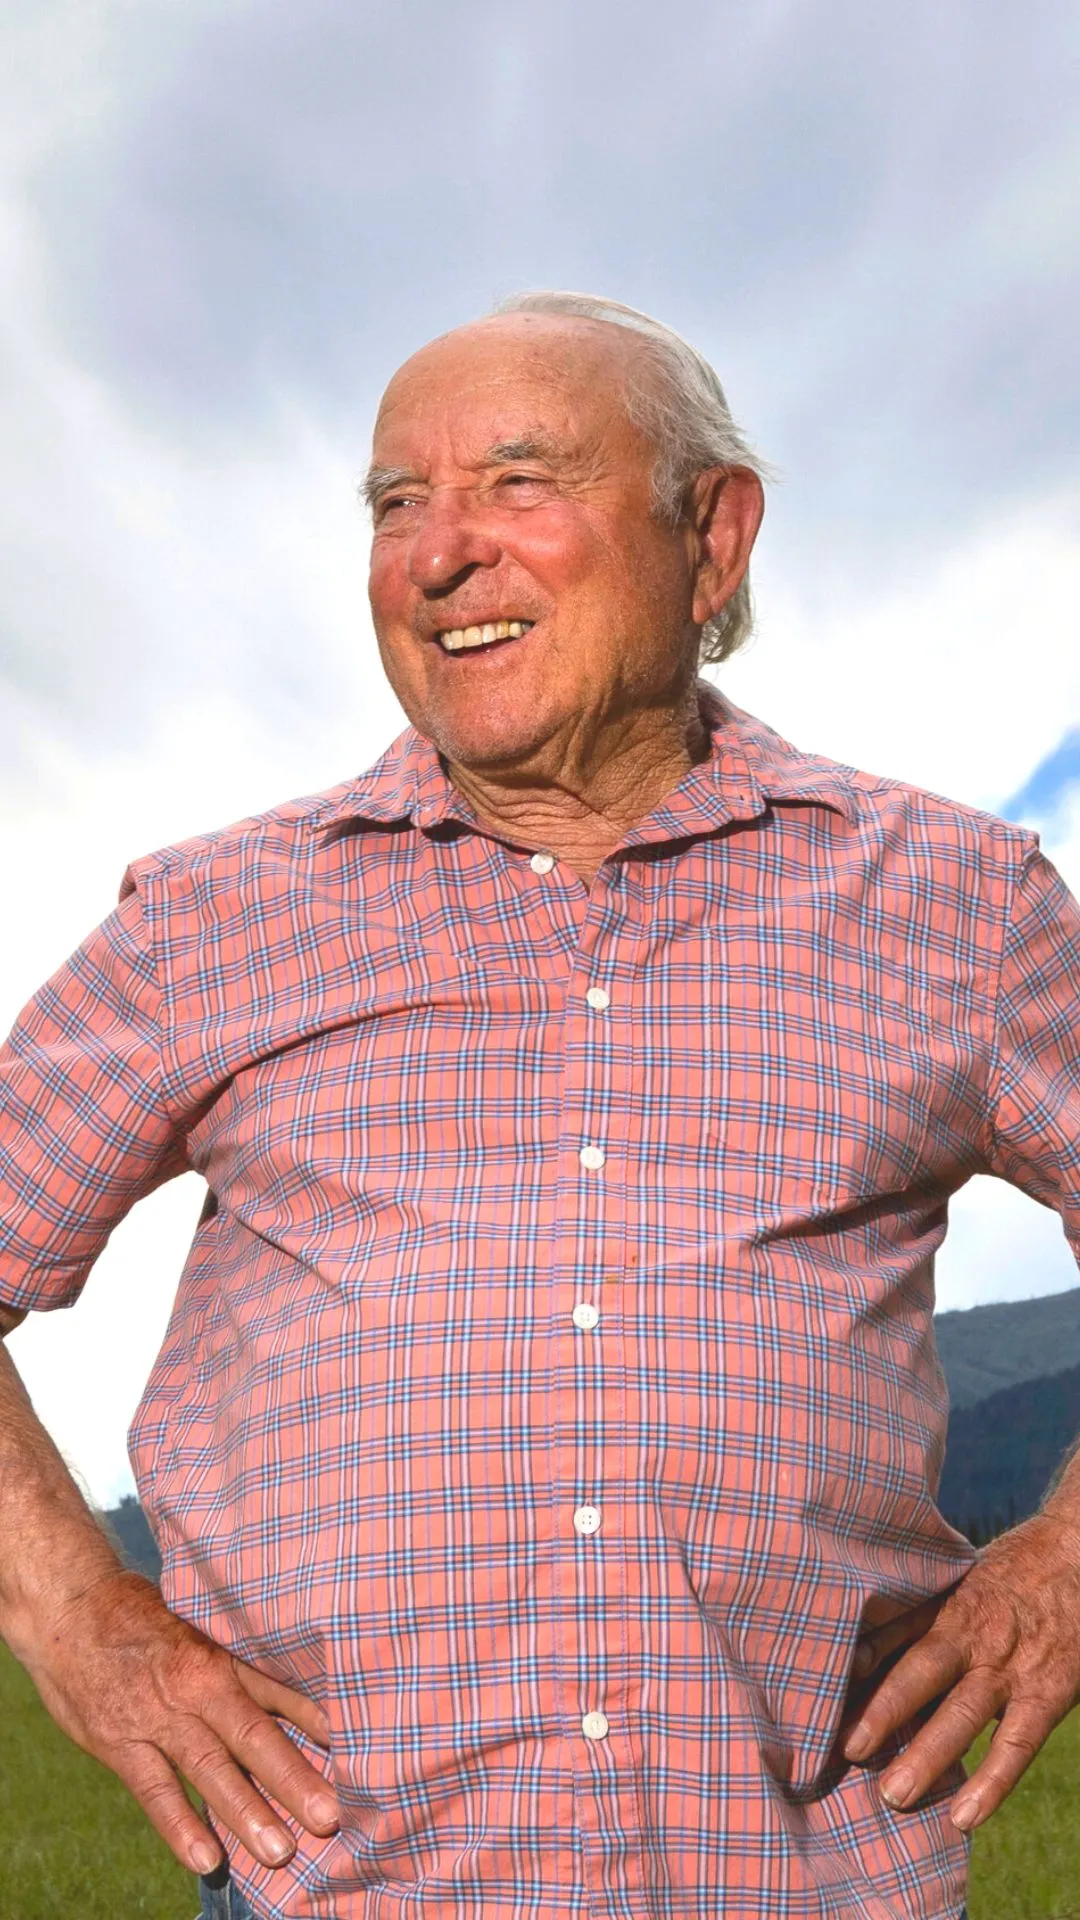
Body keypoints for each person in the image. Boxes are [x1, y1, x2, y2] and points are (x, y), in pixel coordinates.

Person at [0, 290, 1078, 1920]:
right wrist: (82, 1623)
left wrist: (1063, 1568)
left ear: (712, 539)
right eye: (396, 503)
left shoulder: (955, 903)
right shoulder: (216, 921)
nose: (440, 552)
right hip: (338, 1889)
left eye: (518, 481)